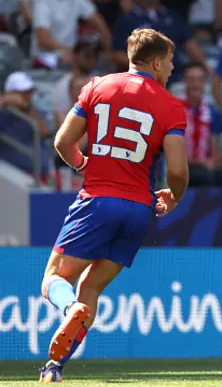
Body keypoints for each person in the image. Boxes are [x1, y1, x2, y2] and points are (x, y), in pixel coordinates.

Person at [38, 28, 189, 383]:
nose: (171, 69)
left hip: (98, 201)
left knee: (55, 280)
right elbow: (179, 169)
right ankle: (54, 369)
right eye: (169, 62)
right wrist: (174, 195)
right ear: (155, 62)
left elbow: (63, 142)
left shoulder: (98, 86)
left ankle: (68, 308)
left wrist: (82, 164)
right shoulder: (170, 105)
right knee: (91, 290)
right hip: (139, 210)